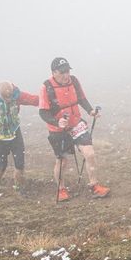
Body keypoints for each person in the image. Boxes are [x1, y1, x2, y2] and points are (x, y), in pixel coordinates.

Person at [38, 57, 110, 201]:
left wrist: (90, 111)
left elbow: (81, 99)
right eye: (62, 72)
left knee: (89, 154)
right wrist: (57, 122)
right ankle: (61, 189)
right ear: (53, 72)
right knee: (62, 161)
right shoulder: (46, 87)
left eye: (68, 71)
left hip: (76, 123)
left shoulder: (74, 81)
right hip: (58, 129)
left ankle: (94, 186)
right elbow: (43, 112)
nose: (66, 75)